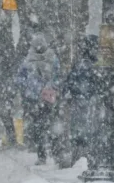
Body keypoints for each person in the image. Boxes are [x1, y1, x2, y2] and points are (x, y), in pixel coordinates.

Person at [15, 33, 61, 165]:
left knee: (43, 127)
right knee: (44, 127)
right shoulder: (50, 59)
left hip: (39, 98)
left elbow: (19, 78)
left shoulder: (29, 60)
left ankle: (46, 155)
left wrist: (30, 86)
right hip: (41, 98)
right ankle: (47, 154)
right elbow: (20, 78)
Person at [62, 34, 98, 168]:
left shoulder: (81, 64)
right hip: (88, 102)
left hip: (81, 101)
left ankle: (80, 156)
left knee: (80, 130)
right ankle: (84, 156)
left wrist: (70, 93)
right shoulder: (93, 65)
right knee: (86, 130)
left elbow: (70, 81)